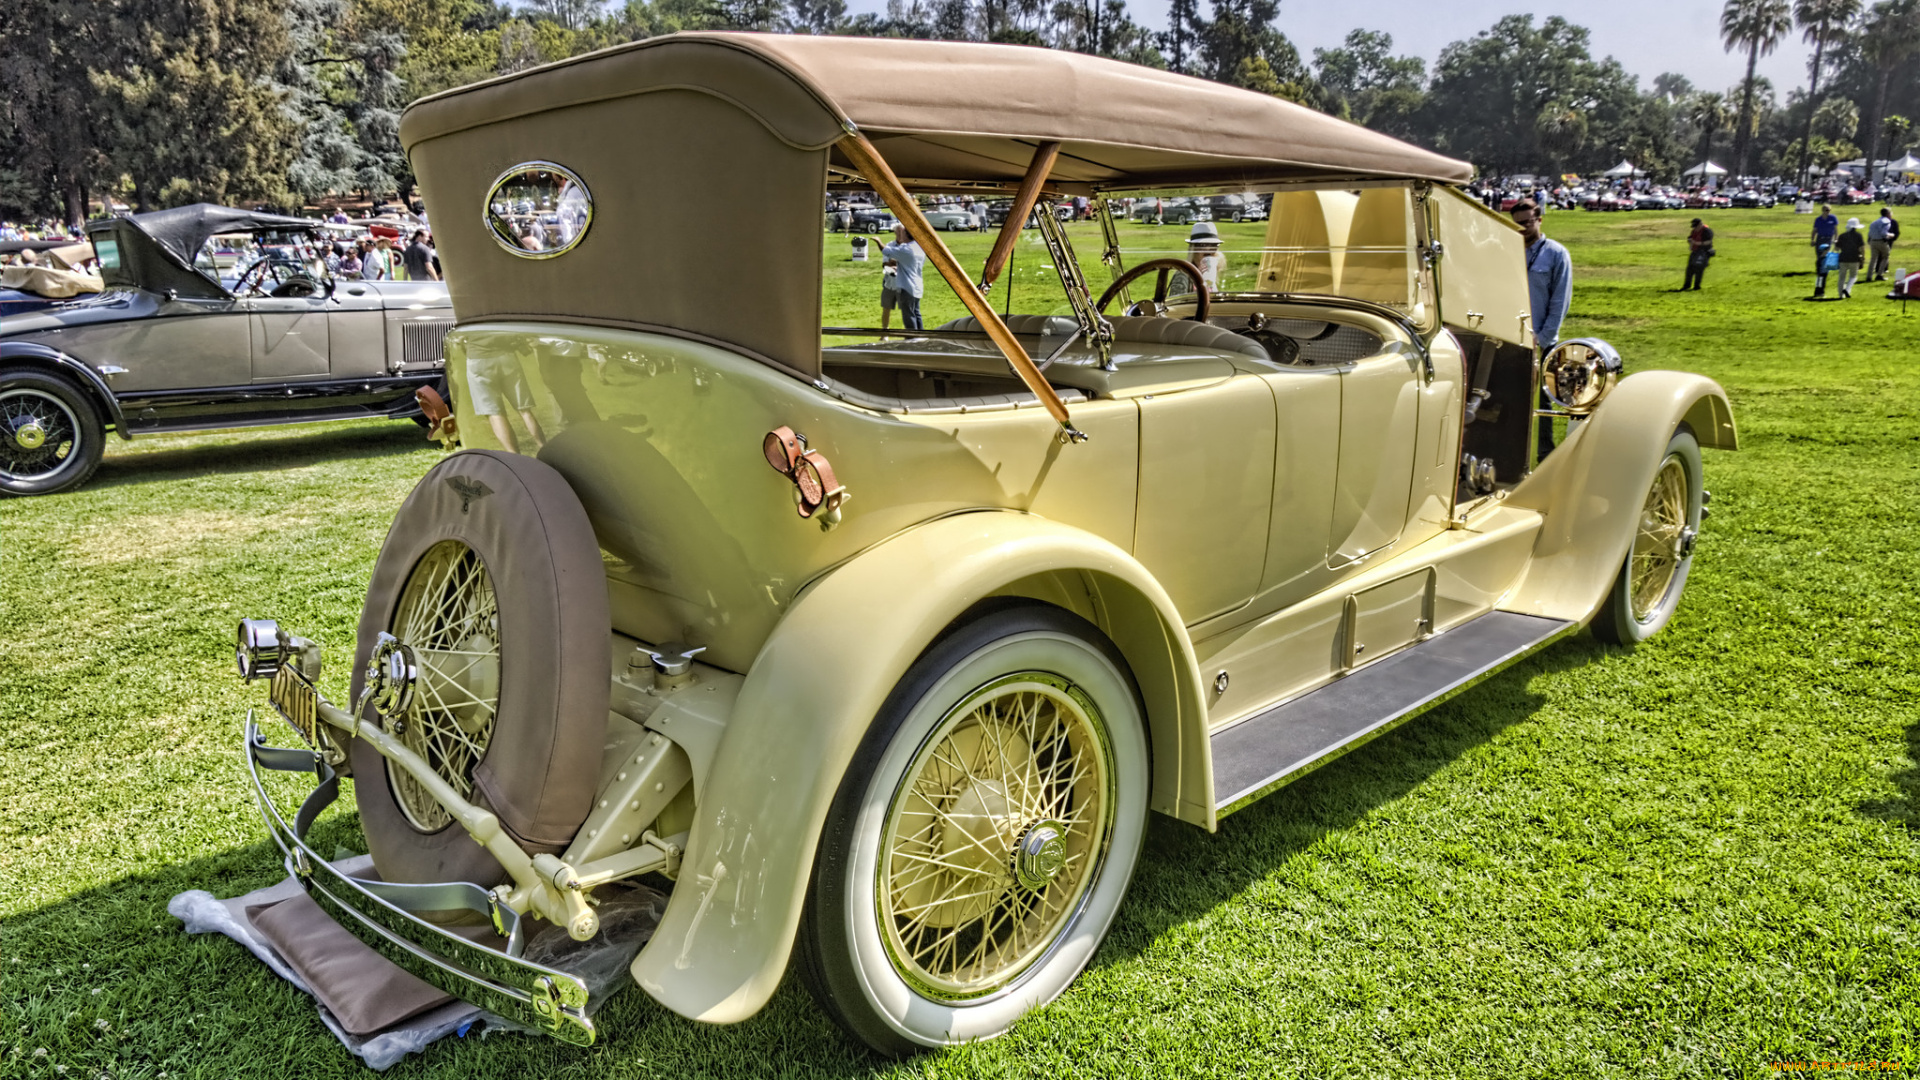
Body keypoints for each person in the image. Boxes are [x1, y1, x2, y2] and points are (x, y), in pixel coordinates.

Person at [1511, 199, 1571, 456]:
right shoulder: (1509, 249)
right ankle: (1511, 450)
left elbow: (1560, 300)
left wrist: (1544, 337)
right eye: (1516, 224)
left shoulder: (1556, 254)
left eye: (1527, 222)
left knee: (1543, 402)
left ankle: (1544, 452)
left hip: (1542, 340)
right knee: (1510, 397)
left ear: (1539, 219)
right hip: (1511, 335)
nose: (1522, 228)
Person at [467, 340, 548, 454]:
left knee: (495, 413)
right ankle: (544, 448)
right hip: (506, 357)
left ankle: (514, 457)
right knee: (525, 410)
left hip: (478, 359)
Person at [879, 223, 925, 331]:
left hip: (907, 286)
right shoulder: (917, 247)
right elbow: (887, 263)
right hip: (910, 285)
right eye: (898, 232)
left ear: (907, 235)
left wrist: (877, 240)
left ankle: (912, 339)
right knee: (915, 312)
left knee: (909, 314)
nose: (900, 235)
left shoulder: (907, 249)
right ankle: (921, 337)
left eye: (903, 232)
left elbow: (886, 252)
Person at [1169, 221, 1226, 295]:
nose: (1208, 249)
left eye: (1213, 245)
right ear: (1193, 249)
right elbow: (1177, 304)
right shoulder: (1182, 275)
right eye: (1202, 245)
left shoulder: (1211, 272)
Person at [1834, 217, 1866, 299]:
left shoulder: (1842, 236)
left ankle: (1841, 295)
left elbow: (1837, 249)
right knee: (1853, 276)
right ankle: (1847, 289)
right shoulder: (1858, 236)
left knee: (1842, 277)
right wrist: (1863, 257)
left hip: (1843, 258)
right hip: (1854, 258)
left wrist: (1836, 243)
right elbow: (1862, 248)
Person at [1867, 207, 1899, 281]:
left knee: (1873, 259)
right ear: (1888, 214)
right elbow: (1883, 233)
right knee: (1885, 256)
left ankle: (1869, 276)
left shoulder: (1875, 221)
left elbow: (1870, 233)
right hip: (1881, 241)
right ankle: (1879, 274)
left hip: (1873, 241)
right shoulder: (1887, 221)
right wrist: (1891, 235)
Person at [1682, 218, 1714, 291]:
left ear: (1700, 224)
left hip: (1704, 252)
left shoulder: (1707, 231)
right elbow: (1690, 237)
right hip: (1695, 251)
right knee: (1689, 269)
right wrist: (1690, 241)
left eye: (1696, 226)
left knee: (1699, 269)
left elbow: (1709, 242)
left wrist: (1697, 243)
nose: (1695, 228)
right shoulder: (1694, 231)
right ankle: (1687, 285)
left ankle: (1697, 286)